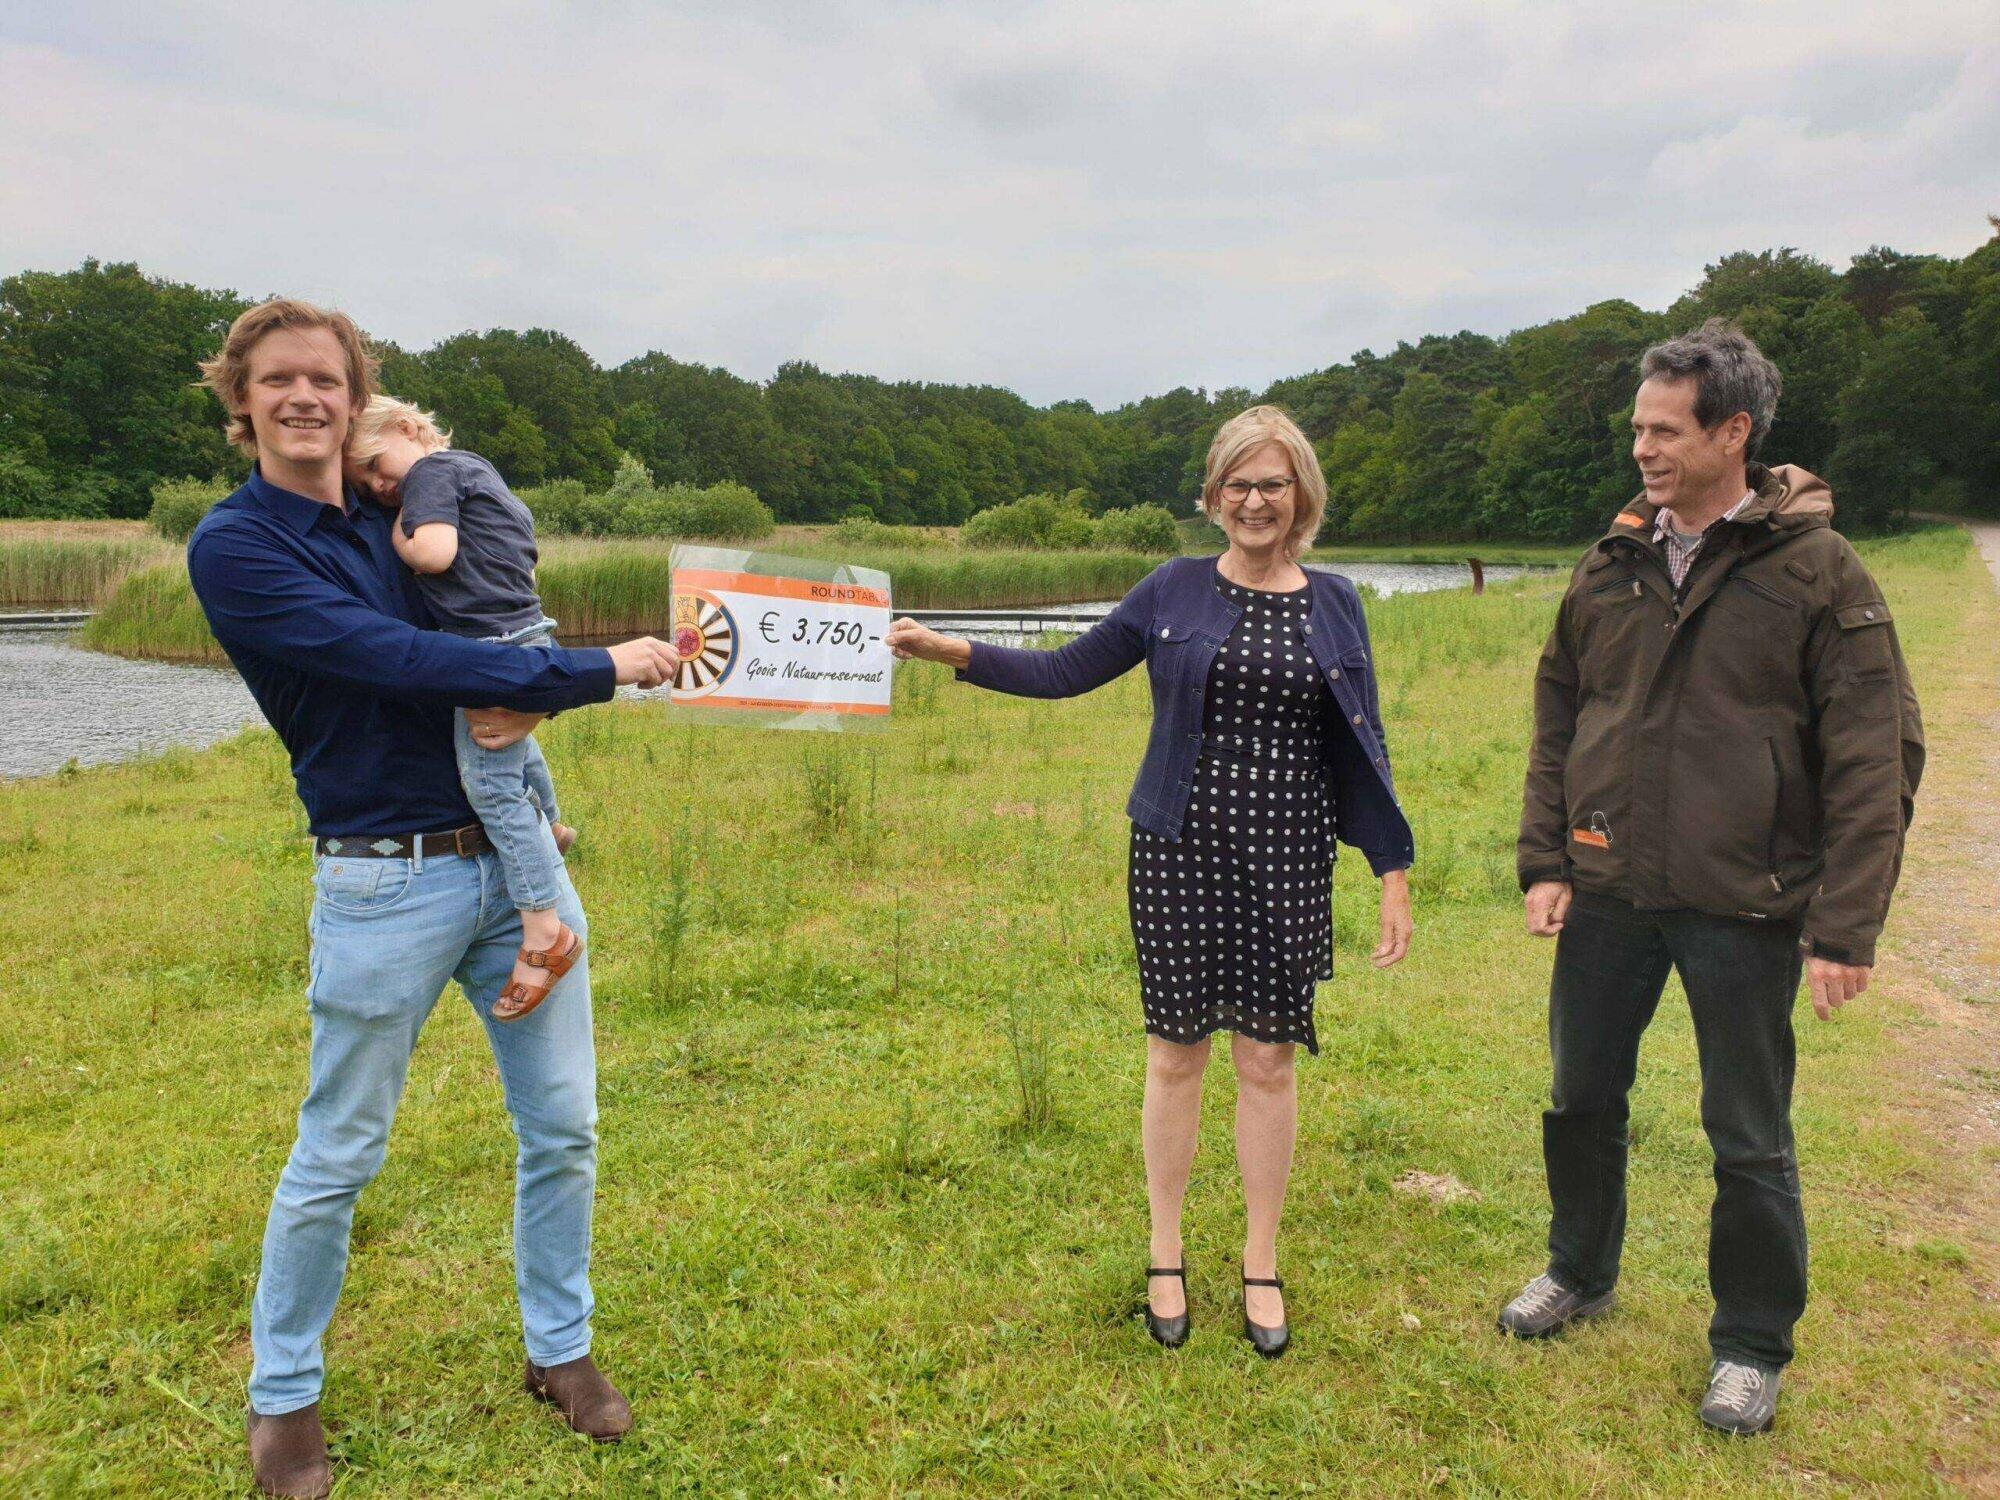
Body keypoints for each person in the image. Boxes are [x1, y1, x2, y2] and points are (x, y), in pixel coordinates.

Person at [186, 298, 681, 1498]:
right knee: (340, 1150)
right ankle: (283, 1395)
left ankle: (558, 1347)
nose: (305, 397)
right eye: (278, 379)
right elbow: (395, 660)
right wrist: (591, 671)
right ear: (241, 400)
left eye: (326, 379)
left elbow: (486, 624)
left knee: (563, 1126)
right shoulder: (237, 547)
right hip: (382, 880)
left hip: (513, 873)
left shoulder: (399, 513)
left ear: (356, 399)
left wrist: (527, 747)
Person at [887, 405, 1414, 1359]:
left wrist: (1391, 870)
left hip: (1288, 859)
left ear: (1301, 495)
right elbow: (1064, 671)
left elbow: (1358, 746)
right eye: (1238, 484)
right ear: (1213, 497)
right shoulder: (1173, 587)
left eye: (1274, 484)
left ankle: (1260, 1259)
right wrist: (950, 650)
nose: (1255, 501)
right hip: (1179, 850)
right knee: (1176, 1053)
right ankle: (1165, 1252)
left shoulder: (1335, 602)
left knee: (1268, 1060)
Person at [1500, 320, 1924, 1435]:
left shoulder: (1818, 572)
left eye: (1665, 430)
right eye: (1637, 428)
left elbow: (1875, 756)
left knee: (1747, 1130)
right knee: (1579, 1098)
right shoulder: (1609, 565)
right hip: (1607, 886)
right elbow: (1558, 717)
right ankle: (1578, 1271)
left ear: (1733, 433)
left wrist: (1844, 926)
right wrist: (1546, 859)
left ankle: (1749, 1344)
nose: (1642, 449)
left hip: (1745, 901)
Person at [345, 394, 577, 1022]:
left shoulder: (429, 476)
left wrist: (398, 534)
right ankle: (554, 828)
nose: (377, 486)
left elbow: (436, 553)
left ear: (405, 427)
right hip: (528, 630)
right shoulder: (482, 472)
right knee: (512, 743)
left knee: (492, 788)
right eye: (363, 485)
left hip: (491, 647)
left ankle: (544, 931)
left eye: (373, 465)